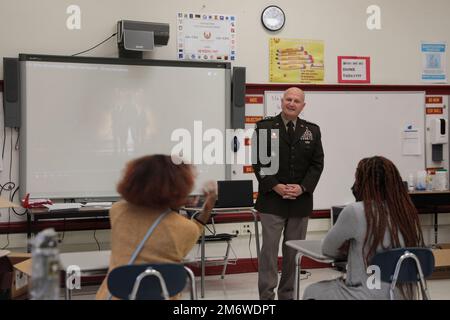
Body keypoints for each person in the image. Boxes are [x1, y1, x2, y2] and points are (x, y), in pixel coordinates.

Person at [96, 154, 216, 300]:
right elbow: (194, 230)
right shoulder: (186, 229)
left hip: (115, 296)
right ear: (180, 187)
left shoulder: (118, 211)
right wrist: (208, 206)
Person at [303, 156, 425, 300]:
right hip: (401, 295)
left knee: (312, 290)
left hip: (364, 294)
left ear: (364, 184)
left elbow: (328, 249)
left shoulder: (355, 211)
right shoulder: (405, 212)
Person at [252, 87, 324, 300]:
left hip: (299, 202)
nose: (291, 103)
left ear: (303, 106)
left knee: (293, 254)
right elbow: (258, 162)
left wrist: (302, 188)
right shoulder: (264, 127)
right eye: (288, 99)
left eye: (296, 101)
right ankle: (266, 298)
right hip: (271, 201)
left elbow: (317, 164)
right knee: (269, 254)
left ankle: (287, 296)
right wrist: (275, 185)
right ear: (281, 101)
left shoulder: (312, 130)